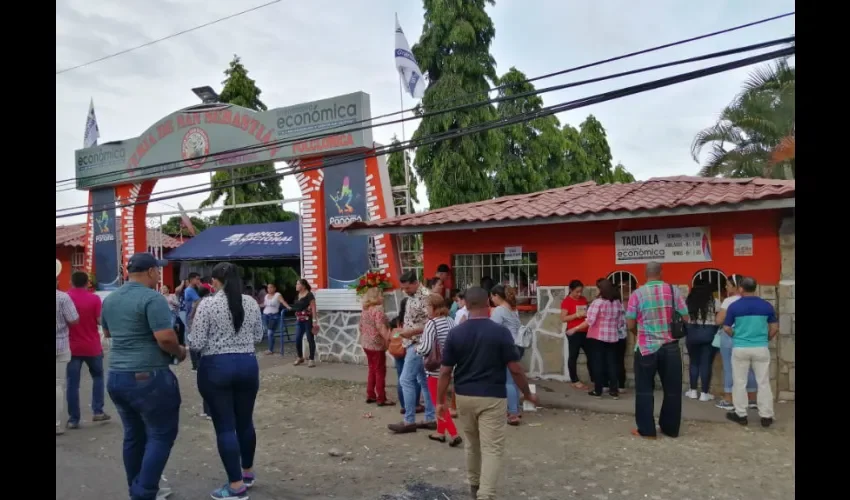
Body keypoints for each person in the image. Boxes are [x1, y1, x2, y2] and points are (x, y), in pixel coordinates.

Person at [435, 287, 539, 500]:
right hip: (492, 396)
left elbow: (445, 371)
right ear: (488, 305)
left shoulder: (456, 333)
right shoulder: (499, 332)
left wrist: (440, 401)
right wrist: (527, 393)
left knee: (472, 444)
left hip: (464, 396)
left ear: (467, 305)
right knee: (492, 448)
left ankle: (475, 487)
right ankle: (486, 494)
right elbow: (515, 368)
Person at [102, 253, 186, 500]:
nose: (159, 275)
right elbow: (166, 338)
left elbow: (107, 332)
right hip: (148, 376)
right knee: (161, 434)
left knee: (133, 435)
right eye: (157, 271)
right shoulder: (152, 298)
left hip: (117, 375)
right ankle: (144, 492)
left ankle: (135, 489)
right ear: (150, 271)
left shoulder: (111, 299)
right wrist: (180, 352)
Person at [189, 262, 265, 499]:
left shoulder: (208, 305)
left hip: (216, 367)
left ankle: (235, 486)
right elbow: (258, 336)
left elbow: (197, 342)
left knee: (224, 426)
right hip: (247, 365)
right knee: (245, 421)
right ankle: (248, 472)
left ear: (215, 281)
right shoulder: (251, 302)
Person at [625, 262, 689, 439]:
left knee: (644, 389)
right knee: (672, 389)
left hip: (646, 348)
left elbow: (630, 322)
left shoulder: (637, 294)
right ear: (661, 273)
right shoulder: (673, 290)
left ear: (645, 274)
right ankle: (670, 428)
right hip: (670, 347)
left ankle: (647, 430)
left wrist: (640, 333)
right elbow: (685, 315)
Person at [723, 276, 778, 428]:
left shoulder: (734, 306)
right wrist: (765, 339)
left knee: (739, 382)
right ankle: (766, 416)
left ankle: (741, 415)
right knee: (763, 382)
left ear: (741, 288)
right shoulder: (766, 305)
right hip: (761, 347)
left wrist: (737, 336)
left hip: (740, 348)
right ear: (755, 287)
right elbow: (774, 327)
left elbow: (726, 327)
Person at [388, 270, 437, 433]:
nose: (405, 291)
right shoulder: (411, 296)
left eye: (408, 288)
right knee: (424, 381)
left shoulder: (426, 297)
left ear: (416, 283)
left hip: (419, 344)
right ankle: (430, 418)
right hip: (411, 341)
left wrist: (411, 332)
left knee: (406, 380)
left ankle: (409, 421)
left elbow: (432, 323)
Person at [66, 271, 111, 429]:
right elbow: (100, 321)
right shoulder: (94, 298)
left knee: (72, 383)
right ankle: (98, 411)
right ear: (87, 283)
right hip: (92, 345)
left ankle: (73, 419)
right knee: (98, 377)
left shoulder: (65, 297)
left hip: (71, 346)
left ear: (71, 282)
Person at [416, 293, 461, 446]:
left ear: (434, 307)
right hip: (452, 366)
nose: (426, 310)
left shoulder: (432, 323)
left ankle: (454, 434)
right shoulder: (450, 321)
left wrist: (417, 348)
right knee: (441, 401)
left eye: (427, 306)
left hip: (436, 369)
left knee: (439, 403)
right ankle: (440, 432)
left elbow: (426, 348)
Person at [570, 279, 625, 399]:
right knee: (612, 363)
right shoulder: (617, 303)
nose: (596, 290)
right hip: (613, 338)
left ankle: (598, 390)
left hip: (598, 338)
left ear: (601, 290)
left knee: (598, 364)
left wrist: (575, 329)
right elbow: (621, 323)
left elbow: (589, 321)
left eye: (597, 288)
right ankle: (614, 391)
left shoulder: (598, 303)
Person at [715, 273, 758, 411]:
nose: (726, 287)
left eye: (727, 285)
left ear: (736, 286)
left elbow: (719, 320)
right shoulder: (750, 301)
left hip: (729, 336)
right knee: (749, 368)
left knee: (729, 367)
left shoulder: (728, 301)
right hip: (748, 336)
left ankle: (729, 399)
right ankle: (752, 399)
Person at [489, 284, 524, 425]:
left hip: (507, 347)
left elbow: (492, 329)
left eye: (492, 297)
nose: (491, 299)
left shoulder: (499, 310)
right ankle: (516, 408)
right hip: (517, 346)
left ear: (497, 296)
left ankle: (513, 413)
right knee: (514, 379)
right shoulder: (512, 309)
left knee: (508, 381)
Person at [684, 282, 720, 402]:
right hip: (709, 335)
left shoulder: (688, 302)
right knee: (706, 364)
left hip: (692, 335)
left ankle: (693, 391)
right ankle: (704, 393)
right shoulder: (715, 302)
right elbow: (719, 318)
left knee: (694, 363)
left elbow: (684, 318)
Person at [359, 287, 394, 406]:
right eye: (380, 295)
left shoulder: (365, 310)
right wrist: (389, 339)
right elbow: (381, 328)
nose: (382, 298)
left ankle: (370, 394)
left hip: (366, 343)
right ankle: (381, 397)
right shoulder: (378, 311)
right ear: (375, 297)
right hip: (376, 345)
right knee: (380, 371)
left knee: (372, 369)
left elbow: (360, 327)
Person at [56, 259, 80, 436]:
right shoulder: (63, 298)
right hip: (60, 345)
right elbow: (74, 320)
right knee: (58, 385)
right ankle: (56, 424)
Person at [392, 298, 423, 416]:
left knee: (401, 377)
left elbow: (392, 332)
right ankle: (414, 404)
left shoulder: (397, 320)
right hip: (409, 349)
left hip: (398, 350)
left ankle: (404, 405)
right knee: (413, 378)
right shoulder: (414, 320)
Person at [561, 280, 594, 389]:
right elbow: (563, 318)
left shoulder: (583, 299)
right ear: (571, 290)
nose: (579, 294)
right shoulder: (566, 301)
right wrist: (576, 315)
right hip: (573, 332)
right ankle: (574, 380)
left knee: (591, 355)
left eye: (580, 291)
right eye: (577, 292)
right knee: (573, 356)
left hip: (585, 331)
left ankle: (594, 377)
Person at [188, 286, 212, 419]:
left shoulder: (198, 303)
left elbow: (191, 316)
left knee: (205, 380)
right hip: (208, 343)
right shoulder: (209, 303)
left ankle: (207, 410)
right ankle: (208, 411)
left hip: (199, 338)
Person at [291, 279, 319, 367]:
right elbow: (297, 306)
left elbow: (313, 308)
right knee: (298, 338)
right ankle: (300, 357)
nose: (296, 285)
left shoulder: (309, 295)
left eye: (298, 284)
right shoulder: (297, 295)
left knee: (310, 339)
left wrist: (314, 320)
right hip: (299, 320)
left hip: (308, 320)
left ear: (303, 286)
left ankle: (311, 359)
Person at [262, 283, 290, 355]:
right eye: (268, 288)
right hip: (265, 315)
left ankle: (270, 349)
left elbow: (283, 301)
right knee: (269, 333)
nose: (269, 289)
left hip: (273, 316)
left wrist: (288, 307)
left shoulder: (277, 295)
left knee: (270, 332)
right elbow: (264, 304)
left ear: (275, 288)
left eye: (271, 287)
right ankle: (271, 348)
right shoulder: (266, 296)